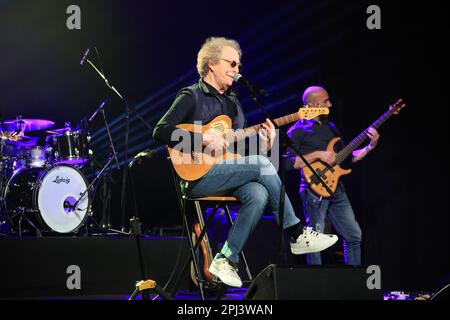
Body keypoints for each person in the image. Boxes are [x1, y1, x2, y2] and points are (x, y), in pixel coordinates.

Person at [153, 37, 338, 288]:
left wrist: (265, 144)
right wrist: (202, 138)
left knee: (259, 193)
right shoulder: (192, 96)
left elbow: (238, 153)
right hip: (196, 178)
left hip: (226, 173)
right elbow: (160, 131)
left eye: (239, 65)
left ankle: (226, 258)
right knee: (260, 165)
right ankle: (296, 232)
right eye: (231, 63)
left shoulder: (233, 104)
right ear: (212, 64)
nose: (237, 69)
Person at [287, 86, 380, 265]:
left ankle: (353, 283)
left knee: (354, 235)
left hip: (337, 188)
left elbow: (348, 157)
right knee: (315, 240)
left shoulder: (330, 127)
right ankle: (316, 287)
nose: (330, 104)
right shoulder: (296, 131)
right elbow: (292, 163)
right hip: (313, 189)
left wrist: (370, 146)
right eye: (325, 101)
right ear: (313, 104)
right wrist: (318, 155)